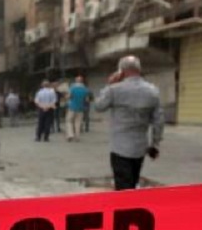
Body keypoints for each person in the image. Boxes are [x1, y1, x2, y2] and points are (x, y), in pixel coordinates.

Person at [95, 55, 164, 191]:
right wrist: (154, 144)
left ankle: (125, 208)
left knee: (122, 187)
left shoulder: (114, 90)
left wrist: (109, 84)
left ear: (121, 71)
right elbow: (159, 121)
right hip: (139, 148)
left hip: (119, 147)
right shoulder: (152, 91)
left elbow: (98, 106)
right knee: (133, 181)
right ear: (139, 69)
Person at [67, 76, 90, 142]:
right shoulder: (85, 89)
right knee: (78, 123)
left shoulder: (72, 88)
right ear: (82, 81)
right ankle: (77, 137)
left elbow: (69, 97)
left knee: (69, 121)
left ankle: (70, 135)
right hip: (80, 108)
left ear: (76, 81)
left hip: (72, 107)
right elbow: (87, 100)